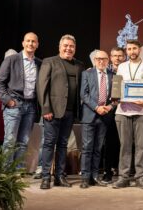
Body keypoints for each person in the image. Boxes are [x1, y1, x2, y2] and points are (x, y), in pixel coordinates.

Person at [37, 34, 84, 189]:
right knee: (49, 143)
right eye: (66, 45)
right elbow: (42, 87)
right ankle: (45, 177)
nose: (68, 49)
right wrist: (46, 108)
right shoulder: (49, 62)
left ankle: (59, 176)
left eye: (71, 46)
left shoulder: (79, 65)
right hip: (52, 111)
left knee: (63, 144)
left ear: (75, 48)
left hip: (70, 112)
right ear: (60, 47)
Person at [112, 40, 143, 189]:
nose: (132, 51)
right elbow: (117, 88)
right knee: (124, 146)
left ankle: (140, 177)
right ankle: (123, 177)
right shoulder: (121, 67)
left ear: (139, 50)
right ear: (126, 51)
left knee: (141, 146)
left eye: (134, 48)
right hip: (123, 111)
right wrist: (116, 97)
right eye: (129, 49)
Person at [0, 32, 41, 168]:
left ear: (37, 44)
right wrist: (8, 101)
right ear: (23, 43)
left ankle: (17, 172)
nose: (31, 44)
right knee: (10, 140)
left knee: (24, 141)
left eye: (33, 41)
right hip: (14, 103)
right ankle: (6, 172)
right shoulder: (12, 59)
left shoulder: (40, 63)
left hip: (31, 106)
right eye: (28, 41)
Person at [80, 50, 115, 188]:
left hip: (105, 117)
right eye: (98, 59)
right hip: (90, 115)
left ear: (108, 61)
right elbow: (84, 94)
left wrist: (110, 107)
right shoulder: (86, 74)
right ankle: (85, 177)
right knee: (87, 148)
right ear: (94, 60)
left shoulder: (114, 76)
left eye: (104, 59)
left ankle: (94, 176)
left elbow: (116, 97)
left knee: (98, 148)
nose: (101, 61)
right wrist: (96, 107)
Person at [102, 46, 126, 183]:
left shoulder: (128, 71)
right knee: (110, 143)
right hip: (110, 112)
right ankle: (108, 171)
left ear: (124, 57)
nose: (117, 58)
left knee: (125, 143)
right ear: (111, 58)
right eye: (115, 56)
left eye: (120, 56)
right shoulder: (106, 72)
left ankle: (123, 170)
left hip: (127, 111)